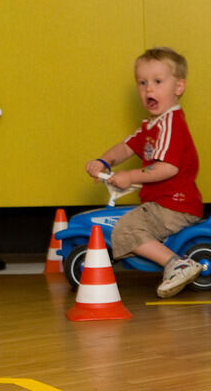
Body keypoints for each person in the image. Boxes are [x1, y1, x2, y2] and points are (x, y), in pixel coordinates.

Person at [85, 47, 204, 298]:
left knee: (127, 228)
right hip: (161, 203)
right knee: (132, 221)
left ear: (178, 87)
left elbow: (167, 167)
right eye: (142, 83)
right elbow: (126, 148)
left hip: (173, 204)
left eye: (158, 82)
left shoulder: (170, 124)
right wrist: (103, 162)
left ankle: (177, 264)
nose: (149, 89)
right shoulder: (152, 125)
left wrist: (129, 176)